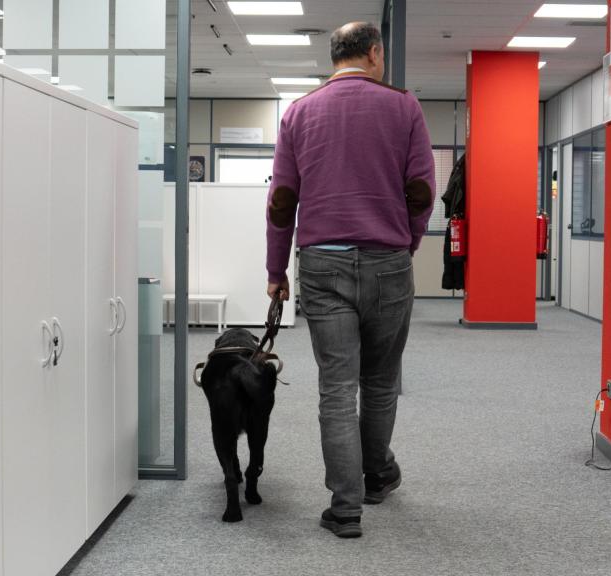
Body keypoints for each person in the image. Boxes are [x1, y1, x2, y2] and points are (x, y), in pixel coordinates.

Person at [264, 21, 435, 539]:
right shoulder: (405, 107)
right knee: (380, 383)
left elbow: (281, 202)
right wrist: (405, 244)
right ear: (375, 54)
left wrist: (276, 271)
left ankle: (345, 508)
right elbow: (422, 190)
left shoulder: (298, 112)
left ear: (334, 57)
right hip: (388, 263)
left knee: (336, 389)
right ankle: (377, 476)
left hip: (322, 264)